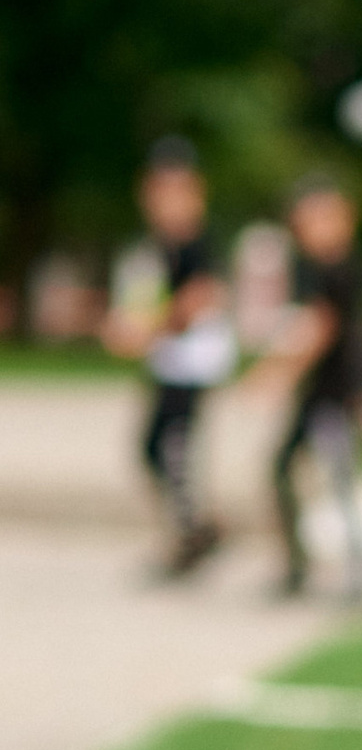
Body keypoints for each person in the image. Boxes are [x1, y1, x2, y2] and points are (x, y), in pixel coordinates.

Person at [104, 136, 234, 576]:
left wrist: (149, 327)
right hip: (172, 360)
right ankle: (193, 530)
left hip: (191, 362)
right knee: (157, 448)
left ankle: (194, 533)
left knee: (171, 449)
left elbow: (202, 296)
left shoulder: (194, 238)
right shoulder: (161, 242)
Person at [263, 172, 362, 603]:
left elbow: (321, 329)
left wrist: (276, 372)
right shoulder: (308, 268)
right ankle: (297, 566)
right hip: (314, 395)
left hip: (338, 396)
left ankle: (357, 574)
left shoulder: (344, 268)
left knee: (342, 480)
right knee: (281, 470)